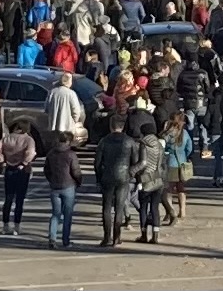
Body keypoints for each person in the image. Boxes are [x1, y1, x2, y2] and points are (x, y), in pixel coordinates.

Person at [95, 117, 139, 247]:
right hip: (123, 176)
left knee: (107, 208)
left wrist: (99, 178)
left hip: (107, 176)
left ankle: (106, 237)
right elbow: (135, 161)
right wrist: (131, 173)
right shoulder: (129, 141)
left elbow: (97, 163)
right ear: (123, 126)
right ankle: (116, 237)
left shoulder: (104, 141)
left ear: (110, 126)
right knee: (119, 207)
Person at [0, 119, 36, 236]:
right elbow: (31, 153)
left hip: (9, 168)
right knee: (19, 200)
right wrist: (24, 163)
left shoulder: (7, 138)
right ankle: (17, 226)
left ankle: (5, 225)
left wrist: (2, 160)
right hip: (22, 170)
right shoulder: (28, 139)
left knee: (8, 198)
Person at [43, 130, 82, 249]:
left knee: (55, 214)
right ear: (69, 141)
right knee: (67, 215)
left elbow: (46, 170)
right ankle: (66, 240)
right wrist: (79, 181)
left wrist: (51, 180)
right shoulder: (71, 154)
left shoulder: (51, 153)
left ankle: (52, 238)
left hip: (55, 186)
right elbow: (75, 171)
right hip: (68, 186)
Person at [131, 118, 166, 244]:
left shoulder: (143, 144)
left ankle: (144, 234)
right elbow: (162, 164)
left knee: (143, 207)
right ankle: (156, 235)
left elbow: (142, 163)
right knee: (155, 207)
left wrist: (132, 171)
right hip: (158, 180)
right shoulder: (159, 144)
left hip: (145, 180)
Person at [161, 111, 193, 225]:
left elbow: (162, 144)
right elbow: (189, 148)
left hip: (171, 163)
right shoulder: (185, 133)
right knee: (181, 188)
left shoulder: (168, 133)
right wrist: (185, 156)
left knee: (168, 190)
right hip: (182, 163)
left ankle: (169, 211)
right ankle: (182, 211)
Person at [45, 73, 86, 146]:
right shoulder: (71, 93)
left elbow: (46, 108)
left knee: (55, 145)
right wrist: (75, 120)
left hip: (54, 125)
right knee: (66, 145)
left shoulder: (52, 92)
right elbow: (76, 110)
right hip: (68, 126)